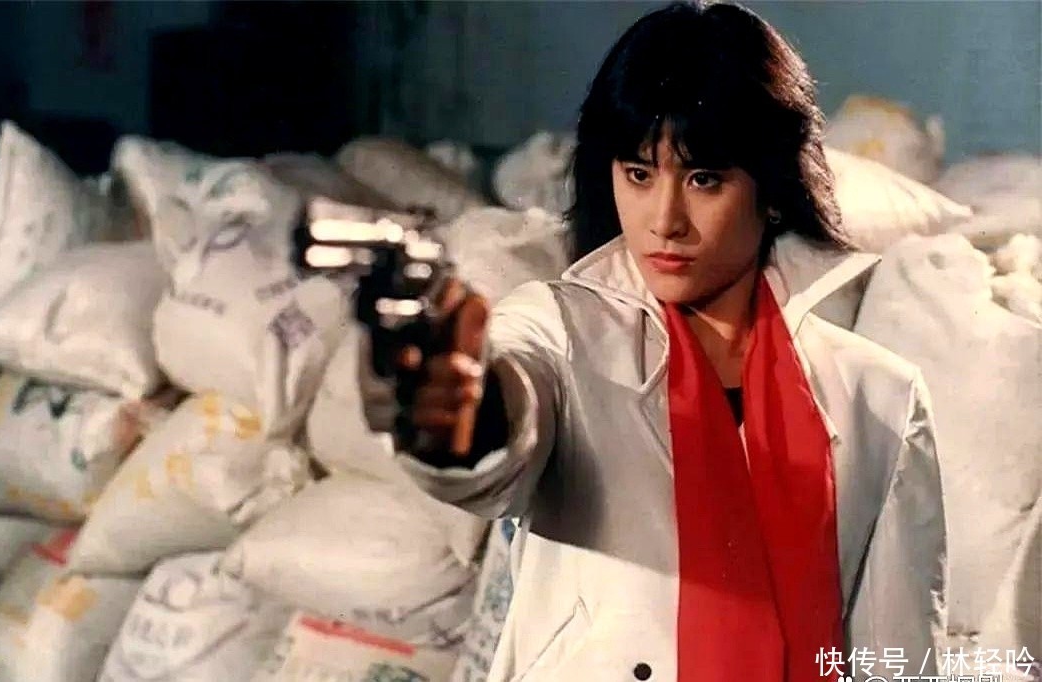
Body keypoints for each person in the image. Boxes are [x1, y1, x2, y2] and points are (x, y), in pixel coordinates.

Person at [360, 2, 946, 680]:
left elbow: (899, 655)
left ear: (773, 190)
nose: (665, 220)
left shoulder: (879, 397)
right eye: (639, 174)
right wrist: (461, 419)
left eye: (704, 179)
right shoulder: (561, 333)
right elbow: (507, 425)